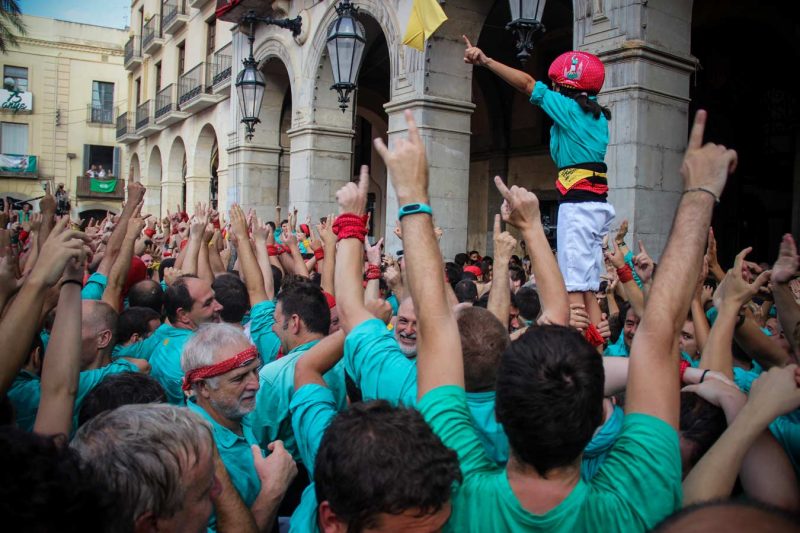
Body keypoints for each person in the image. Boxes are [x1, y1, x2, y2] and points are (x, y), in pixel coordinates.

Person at [377, 107, 734, 530]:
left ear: (501, 413)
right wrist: (700, 195)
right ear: (598, 422)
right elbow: (658, 337)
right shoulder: (634, 507)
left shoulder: (457, 491)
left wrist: (412, 194)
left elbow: (435, 329)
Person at [464, 37, 614, 334]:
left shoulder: (570, 110)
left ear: (564, 88)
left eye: (556, 86)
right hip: (593, 204)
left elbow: (528, 85)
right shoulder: (596, 118)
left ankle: (582, 349)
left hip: (579, 206)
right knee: (585, 287)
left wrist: (486, 61)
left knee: (573, 296)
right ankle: (598, 342)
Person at [181, 323, 298, 531]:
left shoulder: (237, 412)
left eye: (255, 370)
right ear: (203, 387)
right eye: (239, 378)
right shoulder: (190, 457)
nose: (255, 384)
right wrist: (273, 490)